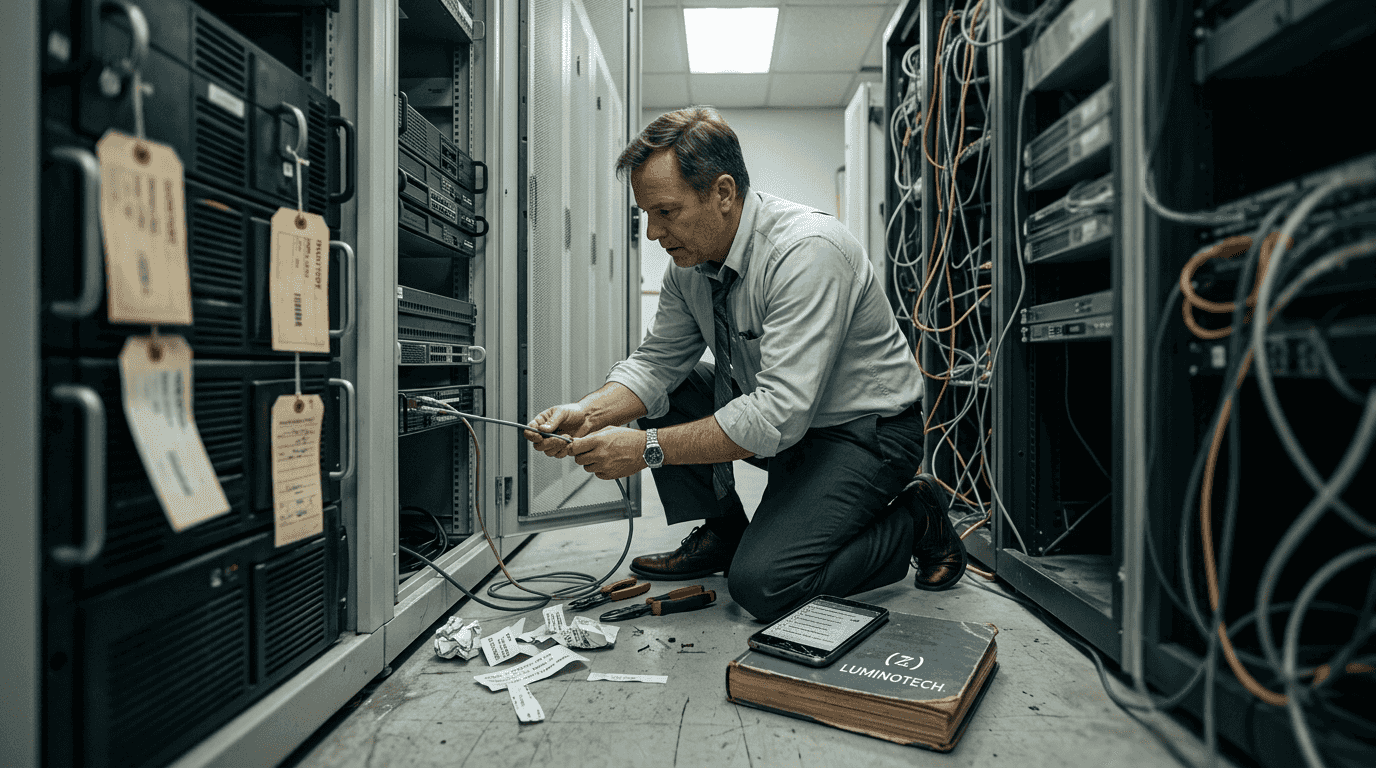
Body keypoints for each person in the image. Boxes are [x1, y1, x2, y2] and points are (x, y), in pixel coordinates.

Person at [525, 107, 965, 623]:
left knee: (765, 586)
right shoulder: (689, 268)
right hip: (792, 430)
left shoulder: (806, 253)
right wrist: (591, 412)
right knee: (682, 385)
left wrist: (645, 449)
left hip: (864, 433)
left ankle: (915, 518)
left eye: (665, 212)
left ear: (724, 193)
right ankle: (724, 532)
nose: (652, 234)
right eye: (646, 214)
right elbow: (657, 363)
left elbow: (776, 416)